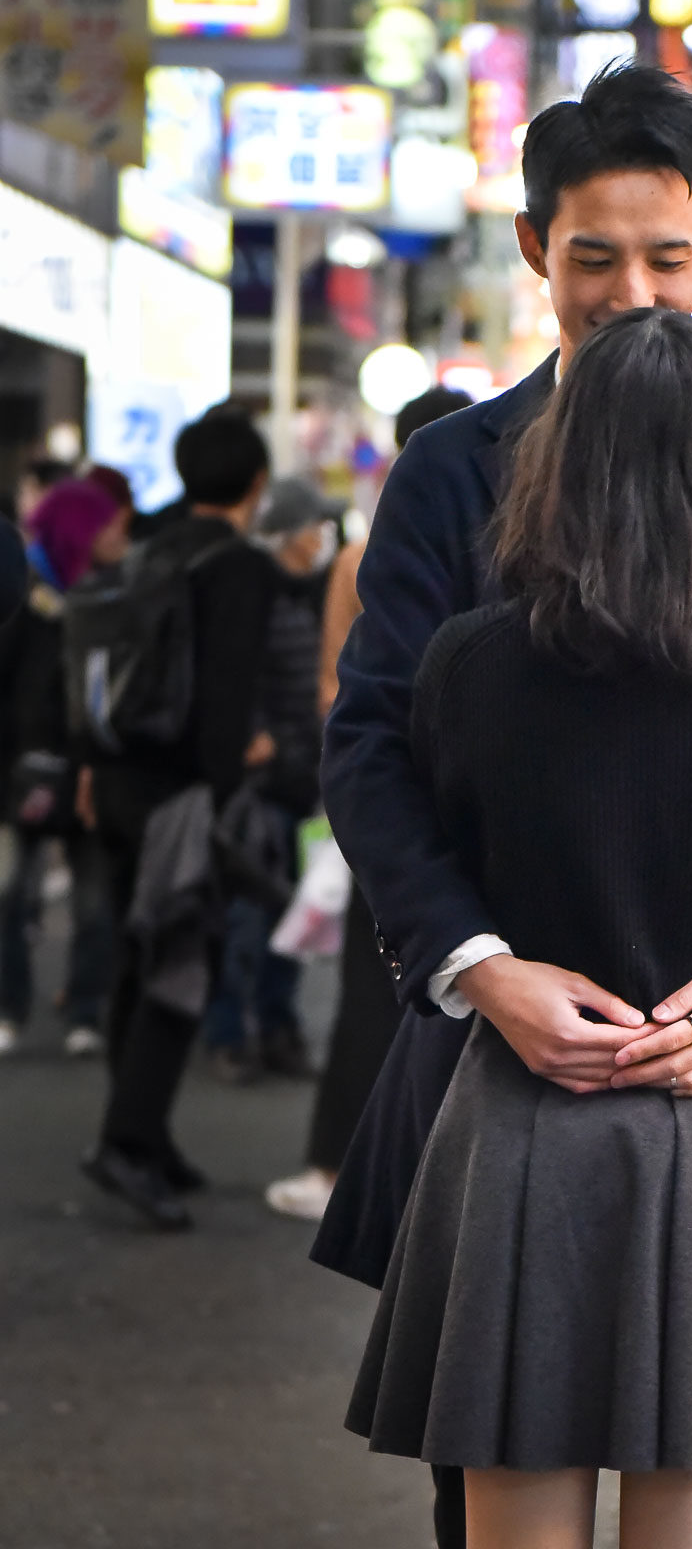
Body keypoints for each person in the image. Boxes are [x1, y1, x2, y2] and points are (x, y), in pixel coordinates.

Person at [315, 62, 692, 1549]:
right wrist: (480, 968)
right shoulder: (451, 473)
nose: (632, 292)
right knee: (495, 1481)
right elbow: (371, 748)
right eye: (593, 258)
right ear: (535, 250)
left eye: (665, 255)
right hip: (498, 1051)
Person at [267, 388, 471, 1223]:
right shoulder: (495, 535)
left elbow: (331, 687)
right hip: (476, 798)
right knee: (471, 986)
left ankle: (332, 1170)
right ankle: (435, 1172)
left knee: (371, 983)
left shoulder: (363, 554)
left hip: (388, 796)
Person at [80, 408, 277, 1230]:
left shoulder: (152, 546)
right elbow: (225, 703)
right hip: (183, 796)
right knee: (178, 965)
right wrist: (240, 770)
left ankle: (146, 1133)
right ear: (255, 486)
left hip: (118, 779)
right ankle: (127, 1144)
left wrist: (89, 765)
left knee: (138, 954)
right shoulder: (239, 568)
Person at [203, 474, 341, 1084]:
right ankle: (230, 1035)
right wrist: (254, 735)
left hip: (305, 781)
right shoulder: (253, 594)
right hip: (257, 787)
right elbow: (232, 678)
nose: (323, 540)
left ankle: (279, 1029)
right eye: (316, 528)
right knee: (244, 920)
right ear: (291, 533)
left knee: (295, 918)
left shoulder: (317, 593)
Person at [0, 479, 131, 1057]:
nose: (120, 533)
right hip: (20, 770)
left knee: (94, 901)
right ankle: (9, 1007)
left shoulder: (117, 593)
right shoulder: (18, 595)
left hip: (88, 768)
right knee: (11, 896)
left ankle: (85, 1008)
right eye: (107, 524)